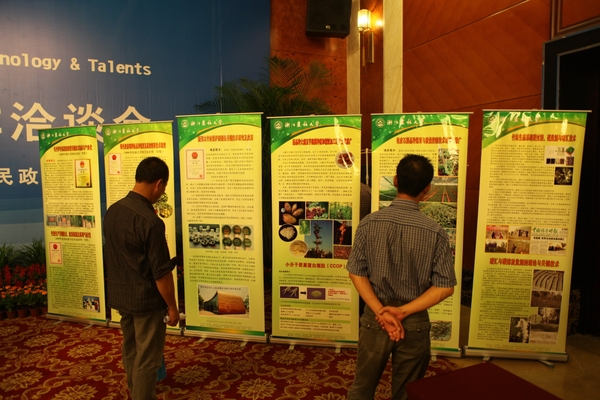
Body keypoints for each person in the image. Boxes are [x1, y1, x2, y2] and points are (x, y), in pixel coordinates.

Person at [346, 154, 456, 400]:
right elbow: (445, 287)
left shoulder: (369, 223)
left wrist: (381, 312)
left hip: (376, 317)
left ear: (395, 180)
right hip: (414, 319)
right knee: (407, 392)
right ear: (427, 189)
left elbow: (356, 272)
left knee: (362, 388)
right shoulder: (435, 231)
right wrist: (402, 312)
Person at [104, 156, 180, 400]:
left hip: (122, 296)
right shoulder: (151, 222)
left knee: (131, 348)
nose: (162, 192)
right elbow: (161, 273)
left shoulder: (113, 211)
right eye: (164, 187)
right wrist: (172, 307)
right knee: (148, 358)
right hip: (147, 302)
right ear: (159, 184)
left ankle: (134, 391)